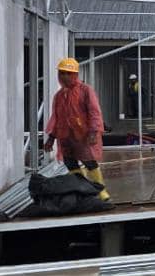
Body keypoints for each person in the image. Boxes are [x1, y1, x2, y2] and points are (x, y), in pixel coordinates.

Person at [43, 58, 108, 201]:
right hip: (66, 137)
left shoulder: (86, 90)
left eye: (68, 73)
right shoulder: (59, 96)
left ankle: (101, 191)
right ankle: (82, 189)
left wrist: (93, 132)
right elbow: (57, 118)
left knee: (89, 162)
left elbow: (94, 112)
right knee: (70, 163)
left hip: (83, 135)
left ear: (75, 74)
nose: (64, 76)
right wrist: (51, 138)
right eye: (62, 73)